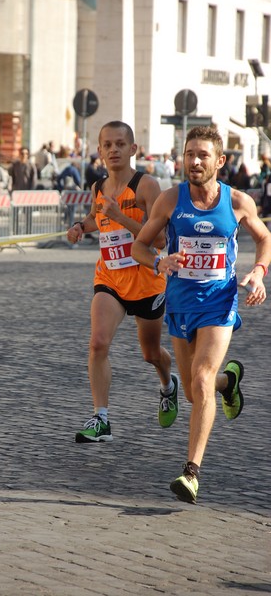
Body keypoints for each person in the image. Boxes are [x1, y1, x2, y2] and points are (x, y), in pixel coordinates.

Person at [131, 125, 271, 504]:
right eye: (189, 153)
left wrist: (258, 273)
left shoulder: (238, 202)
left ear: (220, 161)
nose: (193, 161)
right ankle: (231, 382)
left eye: (202, 155)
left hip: (219, 302)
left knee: (201, 376)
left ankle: (191, 472)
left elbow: (264, 238)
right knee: (196, 392)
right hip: (180, 303)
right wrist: (160, 261)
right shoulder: (169, 200)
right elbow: (140, 247)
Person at [67, 120, 179, 443]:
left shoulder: (146, 186)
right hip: (110, 278)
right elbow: (95, 217)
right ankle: (101, 418)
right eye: (107, 145)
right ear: (100, 151)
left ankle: (167, 384)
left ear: (133, 149)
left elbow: (158, 241)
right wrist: (80, 226)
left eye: (120, 144)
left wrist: (120, 218)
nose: (113, 149)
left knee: (151, 353)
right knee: (97, 343)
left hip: (146, 280)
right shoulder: (98, 188)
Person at [10, 147, 37, 234]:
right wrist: (13, 189)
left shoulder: (31, 165)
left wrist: (31, 192)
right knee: (15, 213)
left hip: (27, 194)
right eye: (22, 153)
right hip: (17, 193)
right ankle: (16, 231)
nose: (24, 155)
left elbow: (34, 180)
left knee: (28, 214)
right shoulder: (15, 165)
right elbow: (12, 177)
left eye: (26, 153)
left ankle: (28, 232)